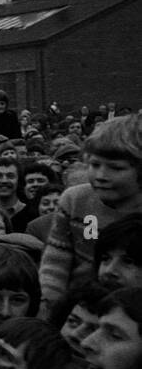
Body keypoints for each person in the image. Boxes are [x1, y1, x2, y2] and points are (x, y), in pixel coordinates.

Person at [40, 114, 142, 317]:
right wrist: (50, 308)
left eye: (115, 168)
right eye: (95, 165)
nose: (101, 176)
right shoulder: (75, 200)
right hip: (78, 308)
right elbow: (55, 264)